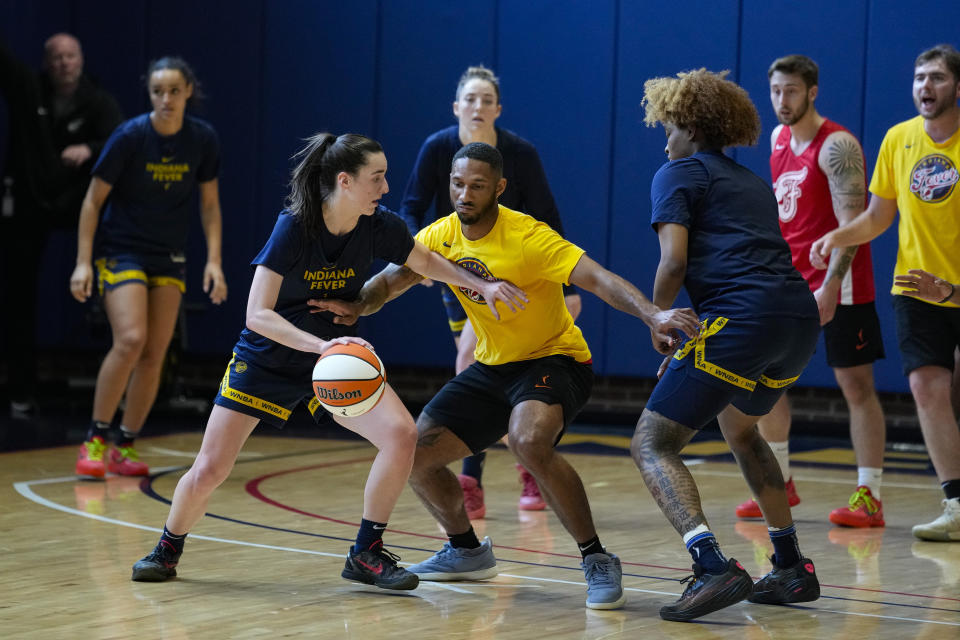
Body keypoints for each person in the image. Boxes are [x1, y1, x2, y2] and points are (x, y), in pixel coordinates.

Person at [129, 133, 528, 589]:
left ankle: (366, 553)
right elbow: (257, 315)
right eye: (376, 177)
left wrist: (483, 286)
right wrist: (322, 346)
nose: (384, 187)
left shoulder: (379, 224)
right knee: (211, 468)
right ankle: (167, 548)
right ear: (346, 181)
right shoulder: (295, 226)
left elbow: (427, 263)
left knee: (401, 436)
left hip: (335, 363)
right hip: (271, 358)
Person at [314, 142, 701, 609]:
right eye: (457, 184)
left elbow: (599, 279)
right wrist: (356, 305)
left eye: (477, 186)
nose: (464, 194)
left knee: (528, 441)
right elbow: (393, 281)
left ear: (498, 188)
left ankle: (596, 557)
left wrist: (652, 315)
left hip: (556, 361)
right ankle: (465, 550)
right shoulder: (442, 235)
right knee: (414, 454)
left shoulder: (529, 237)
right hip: (493, 367)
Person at [632, 68, 822, 622]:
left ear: (690, 125)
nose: (665, 138)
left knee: (652, 443)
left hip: (740, 318)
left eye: (668, 125)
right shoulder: (752, 182)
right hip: (796, 319)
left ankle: (711, 565)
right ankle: (790, 566)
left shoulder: (677, 173)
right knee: (742, 431)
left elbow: (673, 262)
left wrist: (658, 321)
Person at [399, 65, 582, 517]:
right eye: (470, 99)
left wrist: (566, 284)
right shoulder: (437, 148)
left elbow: (549, 217)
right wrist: (413, 258)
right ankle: (508, 467)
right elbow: (409, 208)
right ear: (456, 107)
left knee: (472, 363)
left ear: (498, 109)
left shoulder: (520, 153)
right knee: (477, 366)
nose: (477, 107)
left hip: (518, 280)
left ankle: (496, 470)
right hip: (461, 274)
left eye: (486, 100)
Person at [732, 54, 888, 528]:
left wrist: (830, 285)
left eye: (792, 91)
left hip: (840, 286)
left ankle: (870, 494)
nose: (782, 100)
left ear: (812, 92)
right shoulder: (778, 138)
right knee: (770, 379)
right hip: (787, 282)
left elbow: (852, 227)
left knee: (855, 385)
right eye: (776, 90)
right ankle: (780, 478)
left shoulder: (837, 146)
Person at [812, 44, 960, 542]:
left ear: (957, 87)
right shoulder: (899, 140)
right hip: (916, 288)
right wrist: (839, 235)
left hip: (955, 287)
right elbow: (877, 216)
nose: (925, 87)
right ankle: (956, 504)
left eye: (937, 78)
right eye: (919, 77)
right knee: (926, 386)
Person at [69, 57, 226, 478]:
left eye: (174, 91)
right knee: (131, 339)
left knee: (156, 352)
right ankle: (95, 437)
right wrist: (83, 263)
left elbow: (209, 205)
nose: (166, 99)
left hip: (168, 255)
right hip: (123, 250)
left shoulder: (202, 139)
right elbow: (92, 201)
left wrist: (214, 261)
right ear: (149, 93)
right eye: (158, 91)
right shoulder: (130, 136)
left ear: (188, 91)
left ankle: (125, 444)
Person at [0, 33, 122, 418]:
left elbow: (121, 141)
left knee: (116, 277)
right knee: (18, 295)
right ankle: (21, 390)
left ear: (81, 60)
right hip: (29, 204)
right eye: (56, 57)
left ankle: (115, 394)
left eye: (70, 56)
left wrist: (90, 148)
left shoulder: (98, 101)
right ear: (46, 62)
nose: (63, 63)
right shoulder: (28, 90)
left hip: (79, 204)